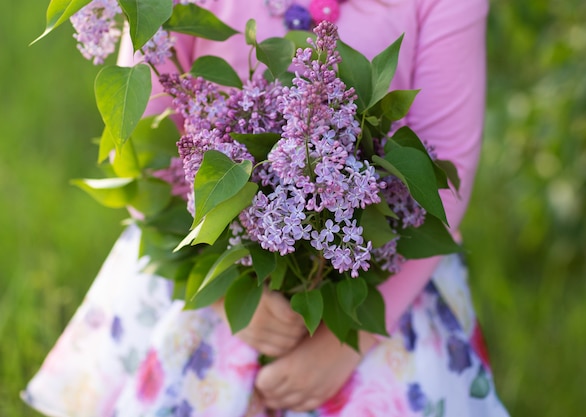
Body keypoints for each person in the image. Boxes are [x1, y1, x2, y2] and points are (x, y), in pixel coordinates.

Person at [23, 0, 510, 416]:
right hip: (208, 261)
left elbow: (444, 172)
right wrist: (223, 291)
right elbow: (143, 156)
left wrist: (342, 349)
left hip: (381, 282)